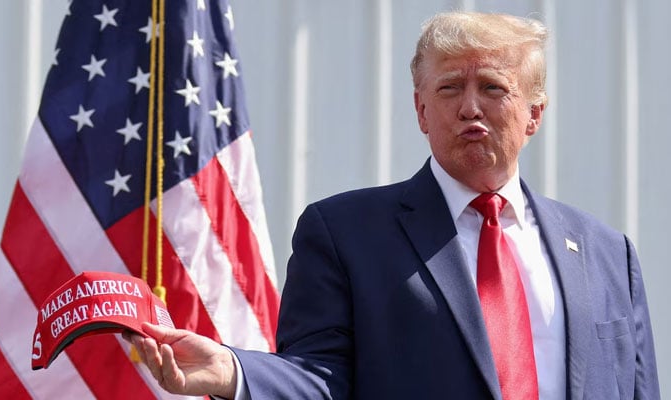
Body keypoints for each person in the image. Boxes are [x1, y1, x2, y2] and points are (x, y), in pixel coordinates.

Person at [124, 11, 660, 399]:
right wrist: (233, 373)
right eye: (450, 88)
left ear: (534, 114)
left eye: (493, 87)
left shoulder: (608, 255)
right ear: (421, 110)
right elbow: (318, 378)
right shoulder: (344, 234)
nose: (470, 107)